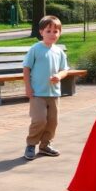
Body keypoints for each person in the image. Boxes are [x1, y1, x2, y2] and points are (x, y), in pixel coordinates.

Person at [23, 15, 69, 161]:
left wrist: (59, 76)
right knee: (39, 120)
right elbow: (26, 68)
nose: (52, 34)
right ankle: (31, 144)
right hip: (37, 93)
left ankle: (45, 145)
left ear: (60, 33)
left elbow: (64, 69)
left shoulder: (59, 52)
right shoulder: (35, 49)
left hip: (54, 93)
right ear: (41, 32)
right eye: (48, 31)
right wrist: (28, 88)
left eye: (56, 31)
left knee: (52, 121)